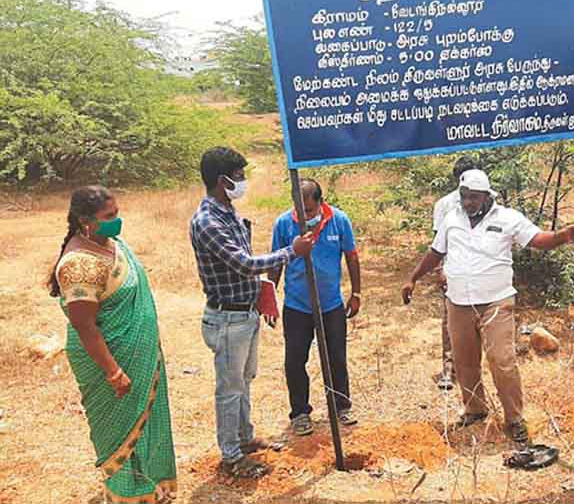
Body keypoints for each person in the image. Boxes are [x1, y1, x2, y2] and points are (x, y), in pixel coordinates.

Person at [401, 170, 574, 445]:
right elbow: (436, 252)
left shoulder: (508, 218)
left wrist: (566, 235)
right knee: (464, 361)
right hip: (458, 302)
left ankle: (514, 418)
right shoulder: (452, 218)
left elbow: (539, 240)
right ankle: (475, 409)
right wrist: (413, 278)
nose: (467, 203)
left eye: (473, 198)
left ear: (487, 196)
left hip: (496, 302)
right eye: (464, 197)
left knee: (501, 359)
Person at [189, 147, 314, 478]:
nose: (243, 182)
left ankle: (244, 439)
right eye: (239, 176)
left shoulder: (227, 212)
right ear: (222, 180)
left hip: (245, 314)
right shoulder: (207, 221)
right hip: (228, 318)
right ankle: (231, 455)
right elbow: (243, 263)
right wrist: (291, 252)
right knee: (230, 389)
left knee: (244, 381)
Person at [50, 186, 177, 503]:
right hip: (110, 362)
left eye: (117, 213)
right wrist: (113, 371)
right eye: (109, 217)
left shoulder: (113, 245)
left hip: (139, 354)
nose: (116, 222)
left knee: (146, 423)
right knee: (121, 431)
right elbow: (84, 325)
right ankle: (126, 495)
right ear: (85, 221)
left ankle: (150, 487)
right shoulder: (78, 264)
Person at [268, 179, 361, 436]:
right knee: (295, 361)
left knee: (336, 358)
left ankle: (341, 406)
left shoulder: (339, 220)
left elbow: (351, 256)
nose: (304, 216)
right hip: (297, 306)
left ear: (320, 203)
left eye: (309, 210)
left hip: (330, 304)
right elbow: (275, 262)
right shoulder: (284, 224)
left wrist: (356, 293)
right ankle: (300, 413)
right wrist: (268, 298)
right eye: (300, 210)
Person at [432, 156, 478, 390]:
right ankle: (450, 370)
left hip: (481, 269)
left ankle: (471, 367)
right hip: (455, 269)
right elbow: (438, 242)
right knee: (451, 318)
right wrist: (440, 270)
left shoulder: (489, 200)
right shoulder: (445, 205)